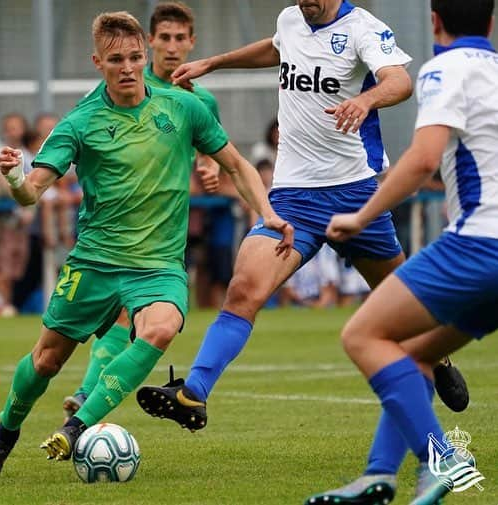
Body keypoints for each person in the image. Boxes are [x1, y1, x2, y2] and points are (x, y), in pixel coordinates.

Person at [0, 11, 292, 479]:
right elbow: (31, 193)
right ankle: (3, 436)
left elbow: (238, 164)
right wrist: (15, 177)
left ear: (146, 56)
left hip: (157, 264)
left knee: (160, 328)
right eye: (116, 59)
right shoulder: (80, 122)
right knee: (46, 360)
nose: (127, 67)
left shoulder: (183, 108)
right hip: (95, 262)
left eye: (135, 57)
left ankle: (78, 427)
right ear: (97, 62)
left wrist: (268, 213)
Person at [138, 0, 470, 438]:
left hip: (356, 194)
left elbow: (399, 81)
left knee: (403, 303)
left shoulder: (362, 28)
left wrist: (367, 100)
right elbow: (278, 48)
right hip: (293, 196)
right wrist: (214, 63)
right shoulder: (291, 18)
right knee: (243, 290)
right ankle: (194, 392)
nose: (304, 2)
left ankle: (437, 355)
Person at [307, 2, 497, 503]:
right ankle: (379, 474)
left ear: (434, 21)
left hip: (479, 243)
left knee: (363, 334)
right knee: (414, 356)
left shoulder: (444, 67)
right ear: (492, 23)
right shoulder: (495, 71)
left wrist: (360, 215)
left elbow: (422, 160)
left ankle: (441, 460)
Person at [60, 0, 225, 422]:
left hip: (167, 220)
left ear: (192, 43)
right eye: (164, 38)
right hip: (115, 224)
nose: (171, 47)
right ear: (150, 43)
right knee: (125, 313)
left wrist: (208, 171)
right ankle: (87, 393)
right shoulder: (124, 84)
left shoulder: (198, 99)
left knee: (137, 317)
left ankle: (87, 393)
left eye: (179, 39)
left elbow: (211, 152)